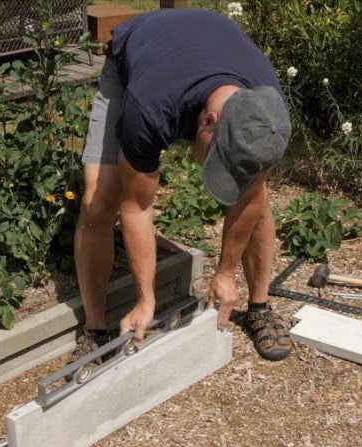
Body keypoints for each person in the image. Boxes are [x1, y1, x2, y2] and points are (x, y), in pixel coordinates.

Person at [74, 7, 293, 361]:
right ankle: (94, 330)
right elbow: (137, 206)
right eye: (218, 160)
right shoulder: (149, 107)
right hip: (141, 55)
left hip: (208, 46)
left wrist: (225, 273)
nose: (216, 172)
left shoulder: (267, 117)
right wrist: (147, 298)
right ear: (207, 121)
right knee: (98, 203)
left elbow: (249, 197)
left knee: (258, 199)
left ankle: (260, 308)